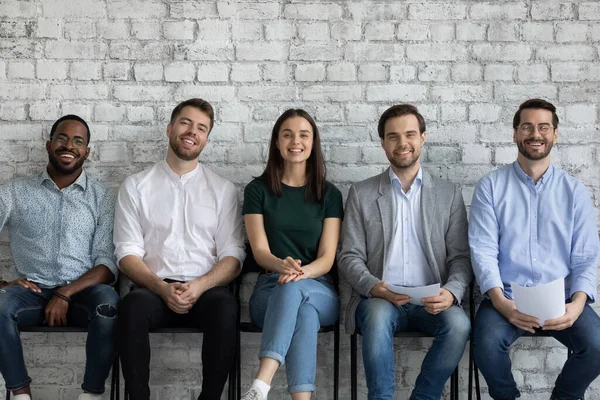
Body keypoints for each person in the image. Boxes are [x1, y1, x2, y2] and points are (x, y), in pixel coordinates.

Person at [114, 98, 245, 400]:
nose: (192, 132)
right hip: (153, 288)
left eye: (201, 128)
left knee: (226, 307)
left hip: (206, 289)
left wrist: (199, 286)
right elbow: (127, 254)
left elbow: (233, 255)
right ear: (170, 128)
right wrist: (161, 288)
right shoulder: (136, 186)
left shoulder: (222, 189)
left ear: (206, 139)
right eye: (186, 123)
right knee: (131, 308)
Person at [339, 104, 472, 400]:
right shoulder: (361, 194)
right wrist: (374, 286)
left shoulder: (448, 194)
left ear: (423, 137)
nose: (402, 143)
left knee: (459, 324)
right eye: (393, 136)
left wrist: (451, 292)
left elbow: (461, 258)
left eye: (410, 134)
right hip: (380, 300)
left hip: (433, 300)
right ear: (383, 143)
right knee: (375, 318)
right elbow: (349, 255)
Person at [470, 98, 600, 400]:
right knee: (485, 345)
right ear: (516, 133)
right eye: (527, 126)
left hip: (563, 300)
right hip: (507, 300)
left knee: (597, 345)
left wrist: (578, 305)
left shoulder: (575, 191)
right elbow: (483, 250)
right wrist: (502, 303)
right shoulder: (490, 187)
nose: (535, 134)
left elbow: (585, 257)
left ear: (555, 134)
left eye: (544, 127)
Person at [0, 115, 119, 400]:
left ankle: (91, 395)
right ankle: (20, 393)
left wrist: (65, 293)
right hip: (31, 292)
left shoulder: (103, 198)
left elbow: (107, 263)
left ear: (87, 151)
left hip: (82, 293)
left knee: (109, 304)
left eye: (78, 141)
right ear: (48, 144)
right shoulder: (14, 192)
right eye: (62, 138)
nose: (69, 145)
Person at [240, 109, 343, 400]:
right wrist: (281, 266)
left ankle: (261, 384)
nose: (295, 141)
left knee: (299, 293)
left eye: (303, 135)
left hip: (319, 289)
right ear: (276, 142)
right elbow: (260, 252)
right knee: (304, 315)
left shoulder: (330, 195)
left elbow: (327, 258)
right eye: (287, 134)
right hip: (268, 293)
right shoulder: (257, 191)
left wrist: (301, 273)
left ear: (313, 143)